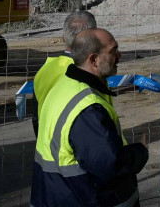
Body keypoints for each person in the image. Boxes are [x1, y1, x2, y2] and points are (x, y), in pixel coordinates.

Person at [31, 29, 148, 207]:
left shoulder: (65, 85)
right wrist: (140, 151)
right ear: (94, 60)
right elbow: (108, 165)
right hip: (79, 196)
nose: (119, 55)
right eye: (113, 51)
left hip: (57, 193)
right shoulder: (87, 108)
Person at [32, 11, 97, 135]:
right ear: (92, 38)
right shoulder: (92, 71)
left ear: (63, 38)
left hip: (47, 145)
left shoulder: (43, 71)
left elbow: (36, 116)